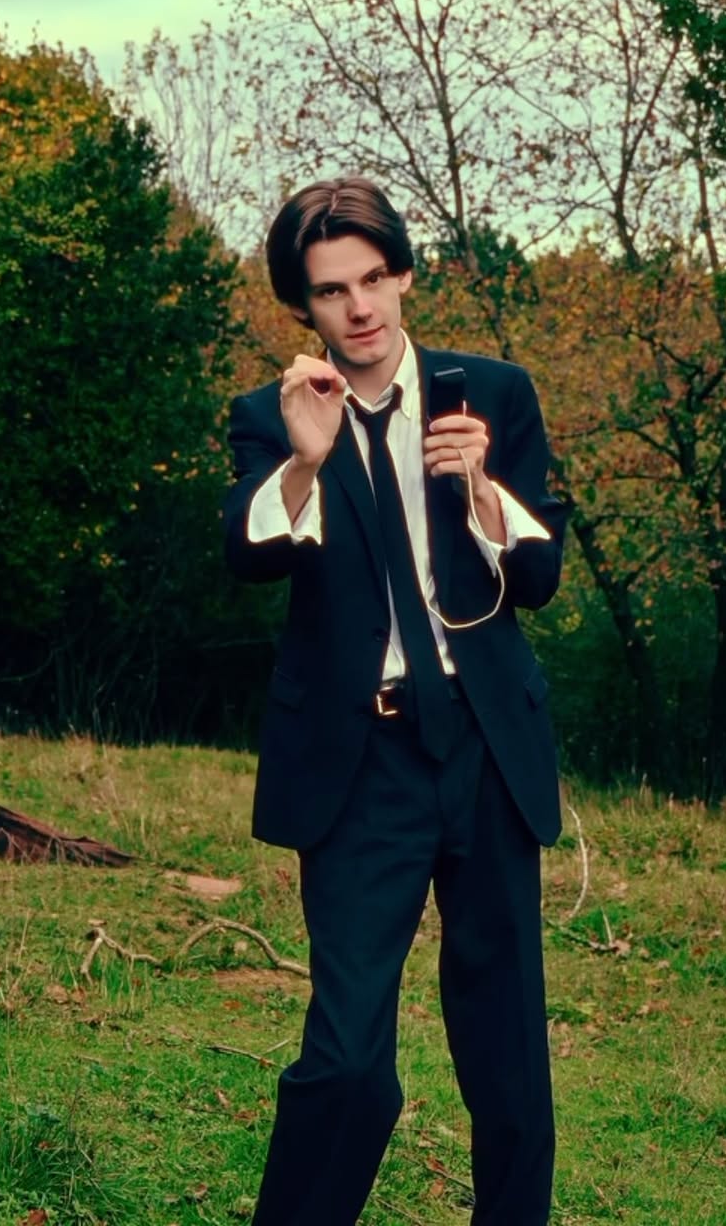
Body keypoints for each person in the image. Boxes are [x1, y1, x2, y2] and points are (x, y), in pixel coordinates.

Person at [223, 176, 570, 1226]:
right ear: (304, 307)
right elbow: (248, 556)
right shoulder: (272, 417)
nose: (360, 307)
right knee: (344, 1057)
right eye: (333, 291)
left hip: (485, 748)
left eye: (374, 279)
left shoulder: (492, 394)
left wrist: (481, 491)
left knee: (508, 1058)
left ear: (405, 276)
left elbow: (541, 579)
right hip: (358, 762)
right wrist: (305, 461)